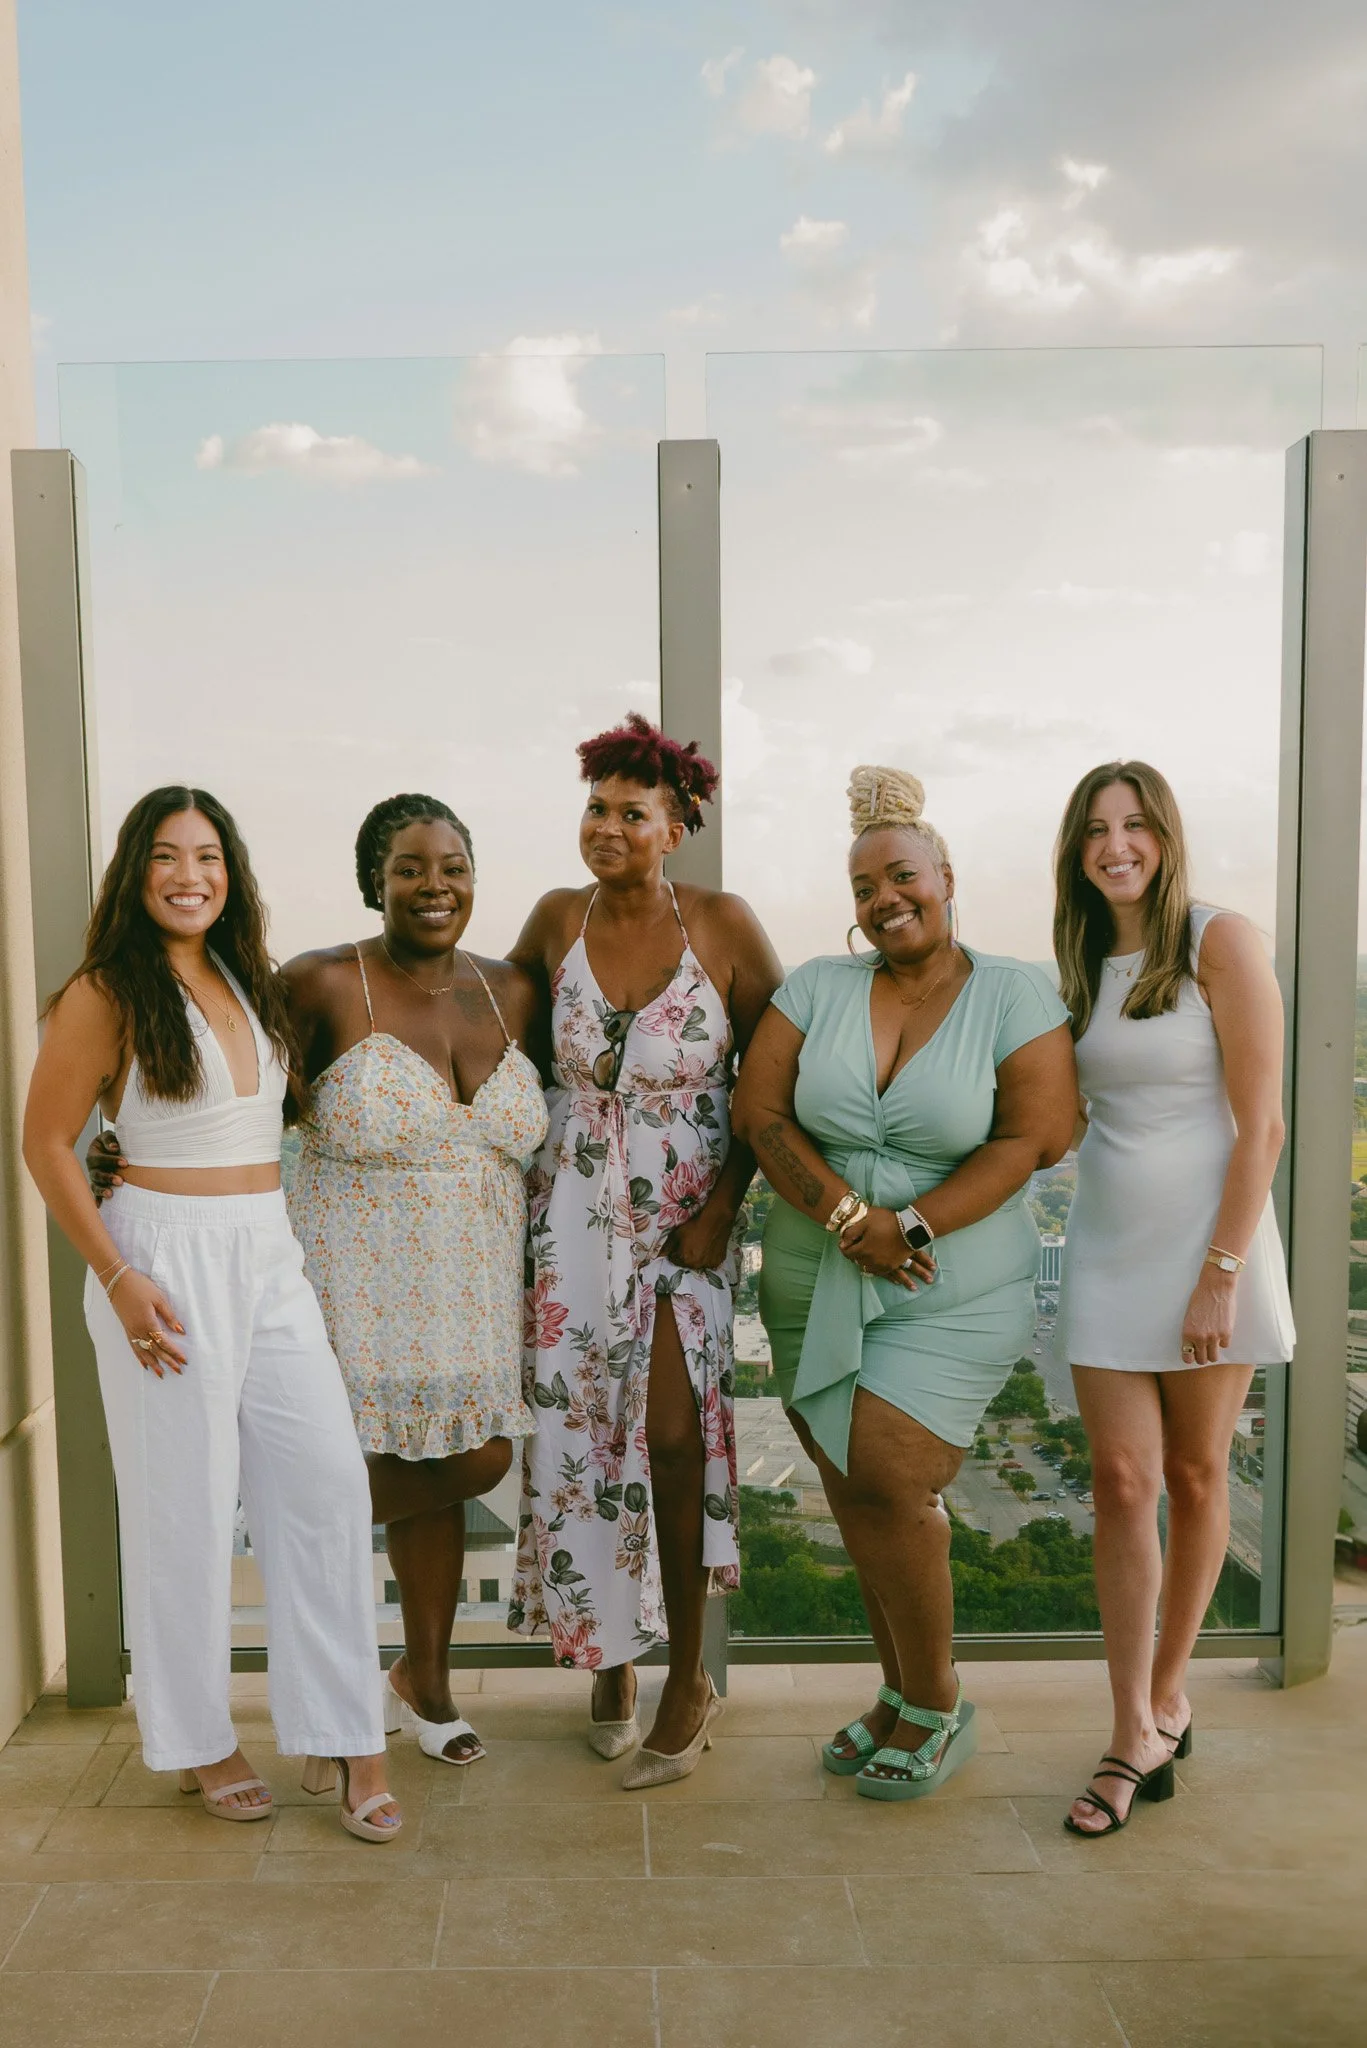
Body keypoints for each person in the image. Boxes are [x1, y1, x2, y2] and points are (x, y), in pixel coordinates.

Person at [24, 787, 400, 1841]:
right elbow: (47, 1141)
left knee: (326, 1488)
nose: (189, 875)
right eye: (166, 855)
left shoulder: (245, 975)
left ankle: (346, 1729)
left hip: (266, 1251)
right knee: (182, 1505)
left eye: (207, 856)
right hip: (160, 1256)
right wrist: (117, 1276)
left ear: (230, 872)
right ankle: (197, 1739)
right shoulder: (105, 990)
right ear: (134, 872)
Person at [732, 765, 1076, 1801]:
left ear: (945, 877)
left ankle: (935, 1699)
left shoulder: (1013, 991)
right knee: (848, 1485)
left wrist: (907, 1224)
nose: (884, 898)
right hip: (810, 1270)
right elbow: (759, 1114)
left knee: (886, 1472)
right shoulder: (815, 987)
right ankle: (894, 1692)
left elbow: (1032, 1136)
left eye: (901, 876)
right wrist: (850, 1219)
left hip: (949, 1280)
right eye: (863, 887)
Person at [507, 712, 782, 1786]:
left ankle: (686, 1677)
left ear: (676, 828)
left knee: (671, 1438)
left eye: (633, 813)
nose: (607, 827)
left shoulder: (721, 922)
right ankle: (607, 1654)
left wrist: (726, 1205)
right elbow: (490, 1044)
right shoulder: (552, 919)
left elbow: (774, 1073)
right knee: (580, 1438)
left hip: (682, 1222)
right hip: (572, 1222)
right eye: (596, 808)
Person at [1052, 761, 1293, 1837]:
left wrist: (1219, 1272)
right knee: (1119, 1481)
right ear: (1075, 849)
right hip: (1106, 1245)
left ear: (1165, 836)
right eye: (1096, 828)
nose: (1117, 845)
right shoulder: (1077, 957)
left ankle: (1162, 1701)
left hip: (1211, 1249)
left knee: (1195, 1476)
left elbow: (1263, 1125)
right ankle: (1127, 1723)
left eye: (1135, 824)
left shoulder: (1217, 939)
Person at [283, 794, 546, 1766]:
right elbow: (230, 1101)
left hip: (473, 1295)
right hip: (350, 1289)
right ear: (374, 880)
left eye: (452, 866)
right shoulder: (319, 982)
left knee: (462, 1468)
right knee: (400, 1473)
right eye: (408, 867)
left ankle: (423, 1683)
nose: (434, 885)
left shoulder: (511, 990)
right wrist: (125, 1154)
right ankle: (326, 1683)